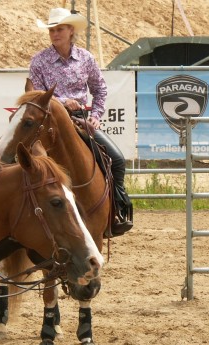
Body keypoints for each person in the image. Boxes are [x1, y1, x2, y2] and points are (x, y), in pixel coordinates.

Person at [28, 7, 133, 236]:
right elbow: (36, 95)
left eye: (60, 29)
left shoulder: (86, 58)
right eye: (52, 30)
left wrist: (95, 117)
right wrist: (64, 101)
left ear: (70, 31)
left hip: (81, 120)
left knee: (116, 160)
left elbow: (100, 89)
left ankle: (117, 210)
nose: (55, 34)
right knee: (25, 163)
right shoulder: (39, 61)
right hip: (49, 122)